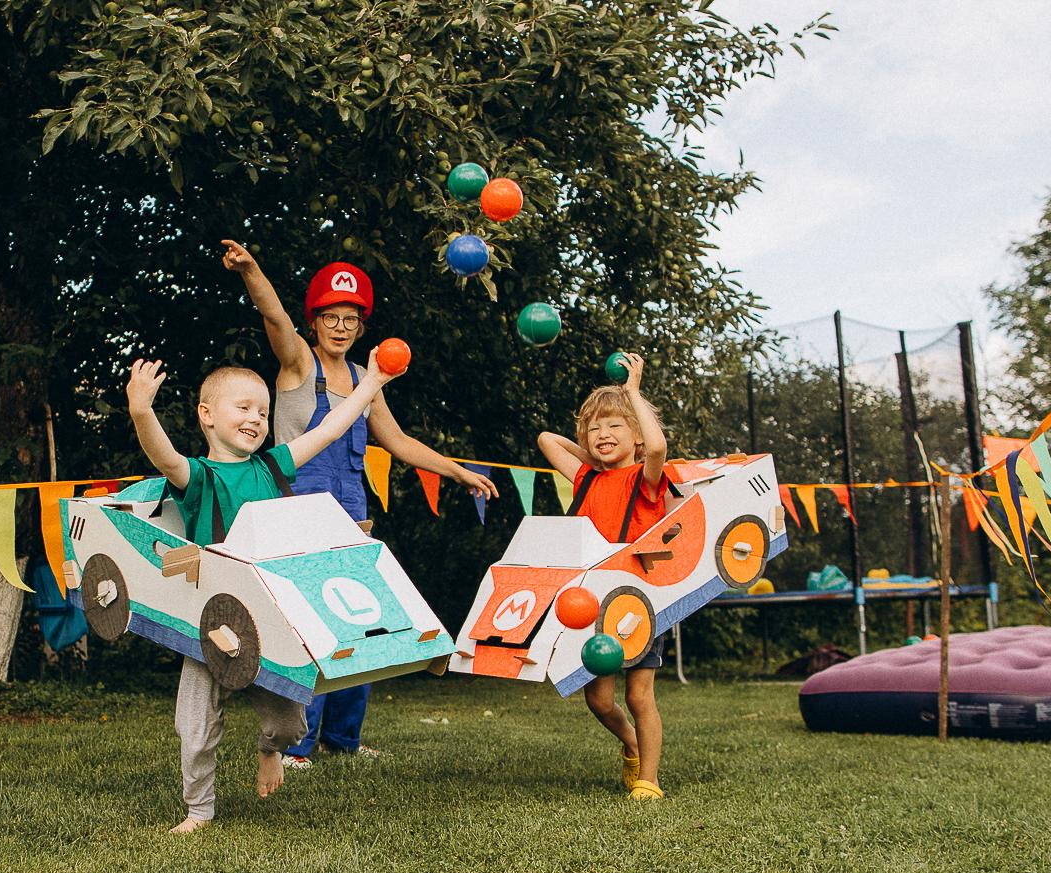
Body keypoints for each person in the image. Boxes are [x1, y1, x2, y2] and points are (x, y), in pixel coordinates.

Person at [220, 241, 495, 767]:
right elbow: (274, 316)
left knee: (362, 626)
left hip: (353, 514)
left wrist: (459, 472)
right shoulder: (298, 364)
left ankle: (341, 739)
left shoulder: (368, 384)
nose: (340, 327)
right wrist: (252, 268)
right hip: (298, 514)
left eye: (350, 318)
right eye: (330, 317)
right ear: (316, 321)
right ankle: (296, 745)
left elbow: (398, 443)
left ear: (361, 327)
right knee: (307, 628)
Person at [126, 355, 398, 834]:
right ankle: (199, 809)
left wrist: (372, 380)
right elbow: (163, 457)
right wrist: (142, 413)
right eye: (244, 408)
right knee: (194, 724)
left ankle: (269, 750)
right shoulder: (197, 476)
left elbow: (331, 429)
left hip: (271, 619)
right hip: (210, 620)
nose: (256, 419)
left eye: (263, 413)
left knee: (292, 724)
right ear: (206, 414)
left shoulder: (273, 466)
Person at [537, 353, 673, 802]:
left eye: (615, 426)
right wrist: (593, 452)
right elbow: (546, 439)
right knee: (597, 699)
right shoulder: (585, 480)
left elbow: (655, 448)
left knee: (640, 696)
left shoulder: (646, 477)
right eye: (595, 429)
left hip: (638, 598)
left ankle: (648, 779)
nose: (603, 435)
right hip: (591, 604)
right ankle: (631, 743)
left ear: (635, 434)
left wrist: (632, 395)